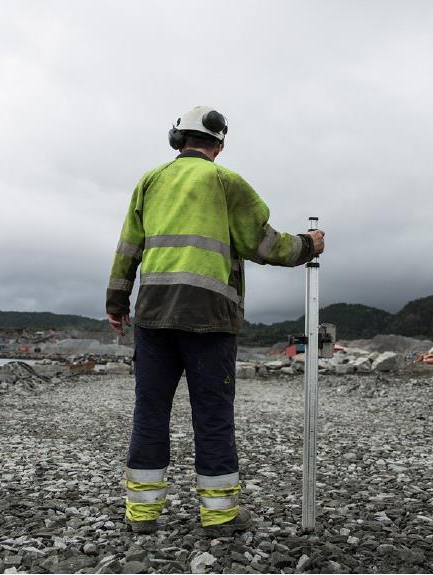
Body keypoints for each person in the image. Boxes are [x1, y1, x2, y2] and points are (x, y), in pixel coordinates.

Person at [106, 106, 325, 535]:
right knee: (212, 415)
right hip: (210, 318)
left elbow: (128, 248)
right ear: (218, 146)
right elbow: (263, 244)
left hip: (153, 315)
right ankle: (220, 515)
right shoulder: (225, 182)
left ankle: (142, 514)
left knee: (150, 410)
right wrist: (307, 245)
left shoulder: (149, 182)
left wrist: (117, 302)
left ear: (178, 141)